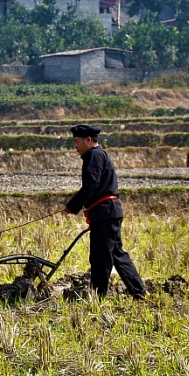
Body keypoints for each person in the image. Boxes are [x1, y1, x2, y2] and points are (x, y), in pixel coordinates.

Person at [64, 125, 145, 298]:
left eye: (76, 142)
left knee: (100, 257)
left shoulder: (94, 155)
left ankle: (98, 295)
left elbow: (91, 185)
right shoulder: (98, 154)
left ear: (88, 140)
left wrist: (73, 206)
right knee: (116, 254)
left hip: (105, 213)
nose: (75, 146)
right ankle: (139, 291)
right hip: (107, 212)